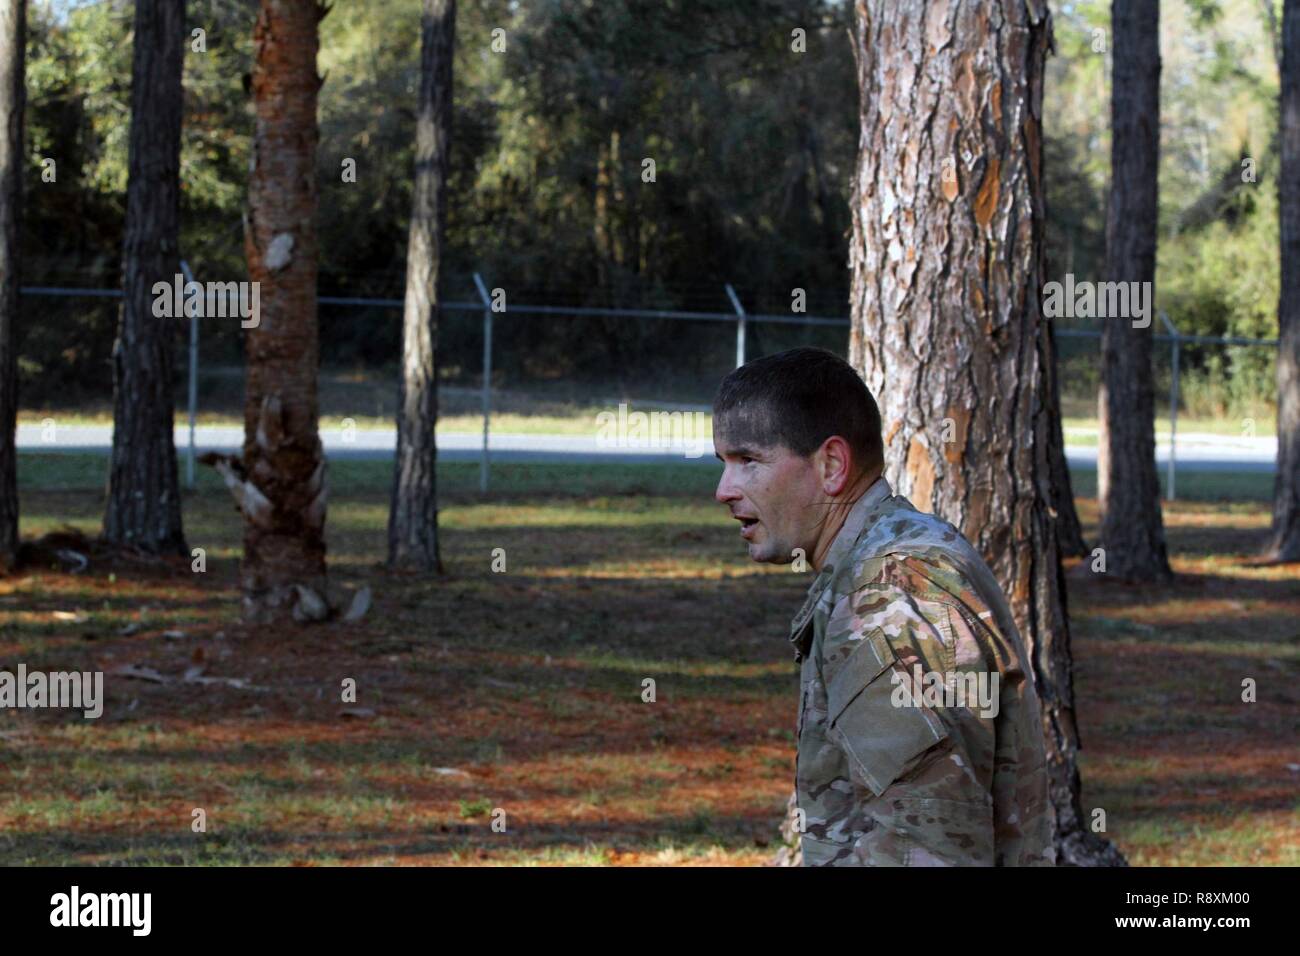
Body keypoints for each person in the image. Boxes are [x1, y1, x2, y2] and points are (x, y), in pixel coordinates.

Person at [712, 347, 1054, 866]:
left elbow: (927, 849)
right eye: (724, 464)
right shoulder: (879, 564)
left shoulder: (894, 596)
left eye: (748, 461)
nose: (724, 490)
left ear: (831, 465)